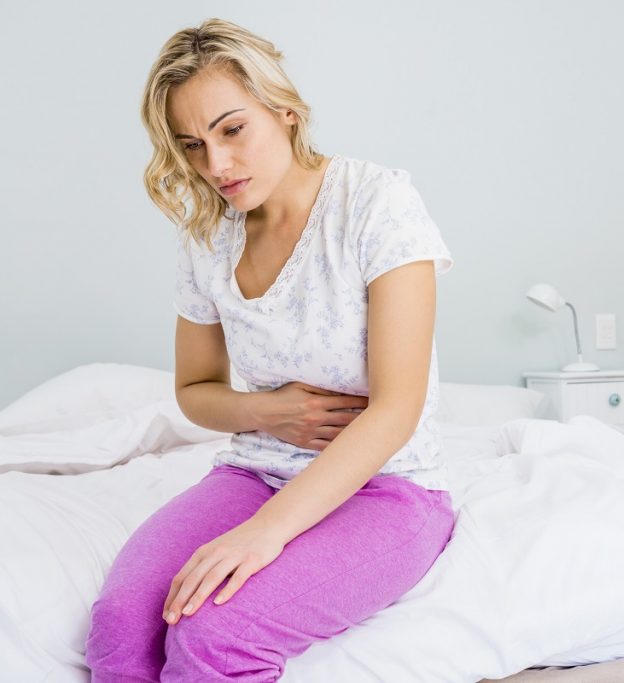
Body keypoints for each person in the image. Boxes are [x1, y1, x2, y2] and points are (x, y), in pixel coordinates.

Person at [85, 17, 457, 682]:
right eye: (192, 146)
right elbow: (194, 391)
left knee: (215, 635)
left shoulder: (377, 203)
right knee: (119, 625)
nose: (215, 165)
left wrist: (266, 532)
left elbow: (397, 409)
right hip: (254, 471)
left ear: (284, 111)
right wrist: (269, 413)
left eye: (233, 130)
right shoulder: (207, 234)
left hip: (388, 490)